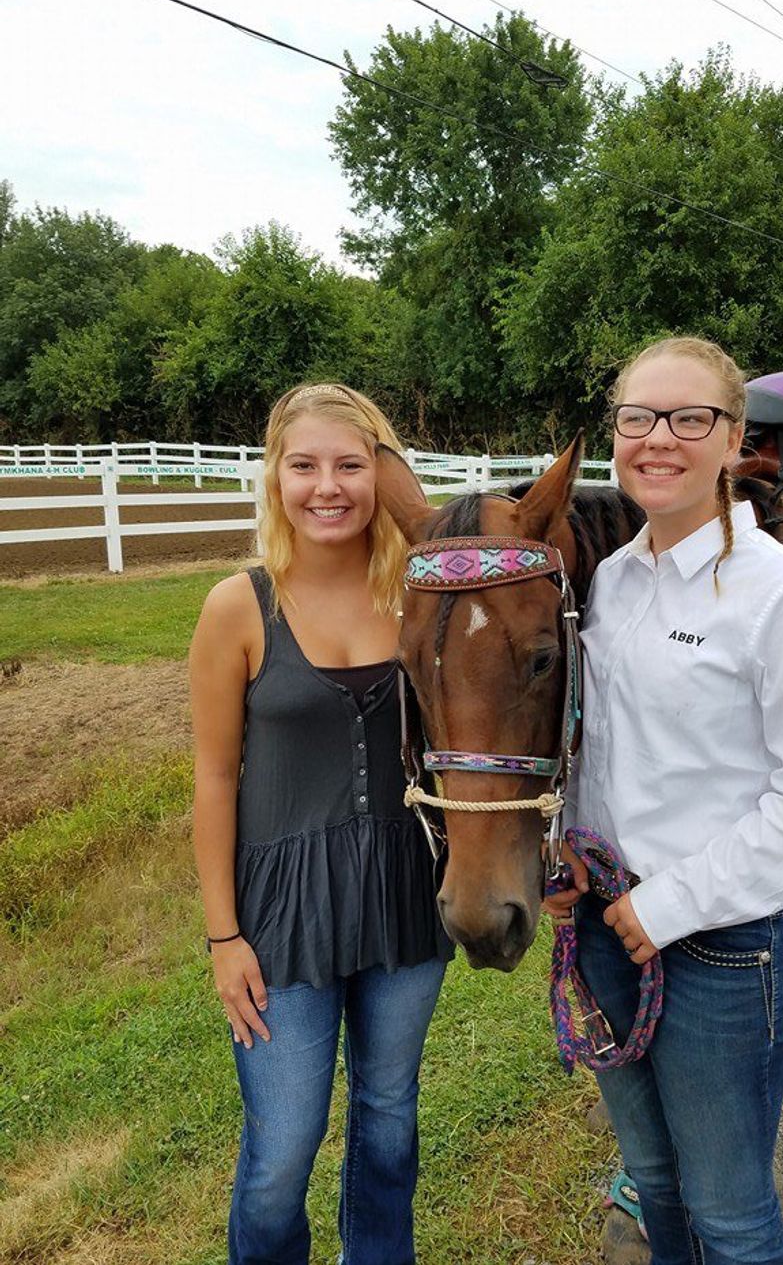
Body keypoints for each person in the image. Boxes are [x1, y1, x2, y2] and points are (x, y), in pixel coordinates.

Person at [545, 337, 783, 1265]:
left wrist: (669, 904)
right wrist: (567, 849)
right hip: (610, 920)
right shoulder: (610, 580)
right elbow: (600, 750)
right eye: (638, 418)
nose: (659, 439)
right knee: (655, 1183)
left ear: (736, 443)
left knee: (727, 1210)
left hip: (724, 947)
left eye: (691, 419)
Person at [189, 382, 452, 1265]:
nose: (327, 486)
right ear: (276, 476)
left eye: (350, 464)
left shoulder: (420, 597)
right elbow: (215, 776)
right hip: (279, 916)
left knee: (387, 1121)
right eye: (304, 465)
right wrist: (224, 934)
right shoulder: (240, 605)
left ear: (382, 477)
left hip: (403, 895)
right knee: (281, 1149)